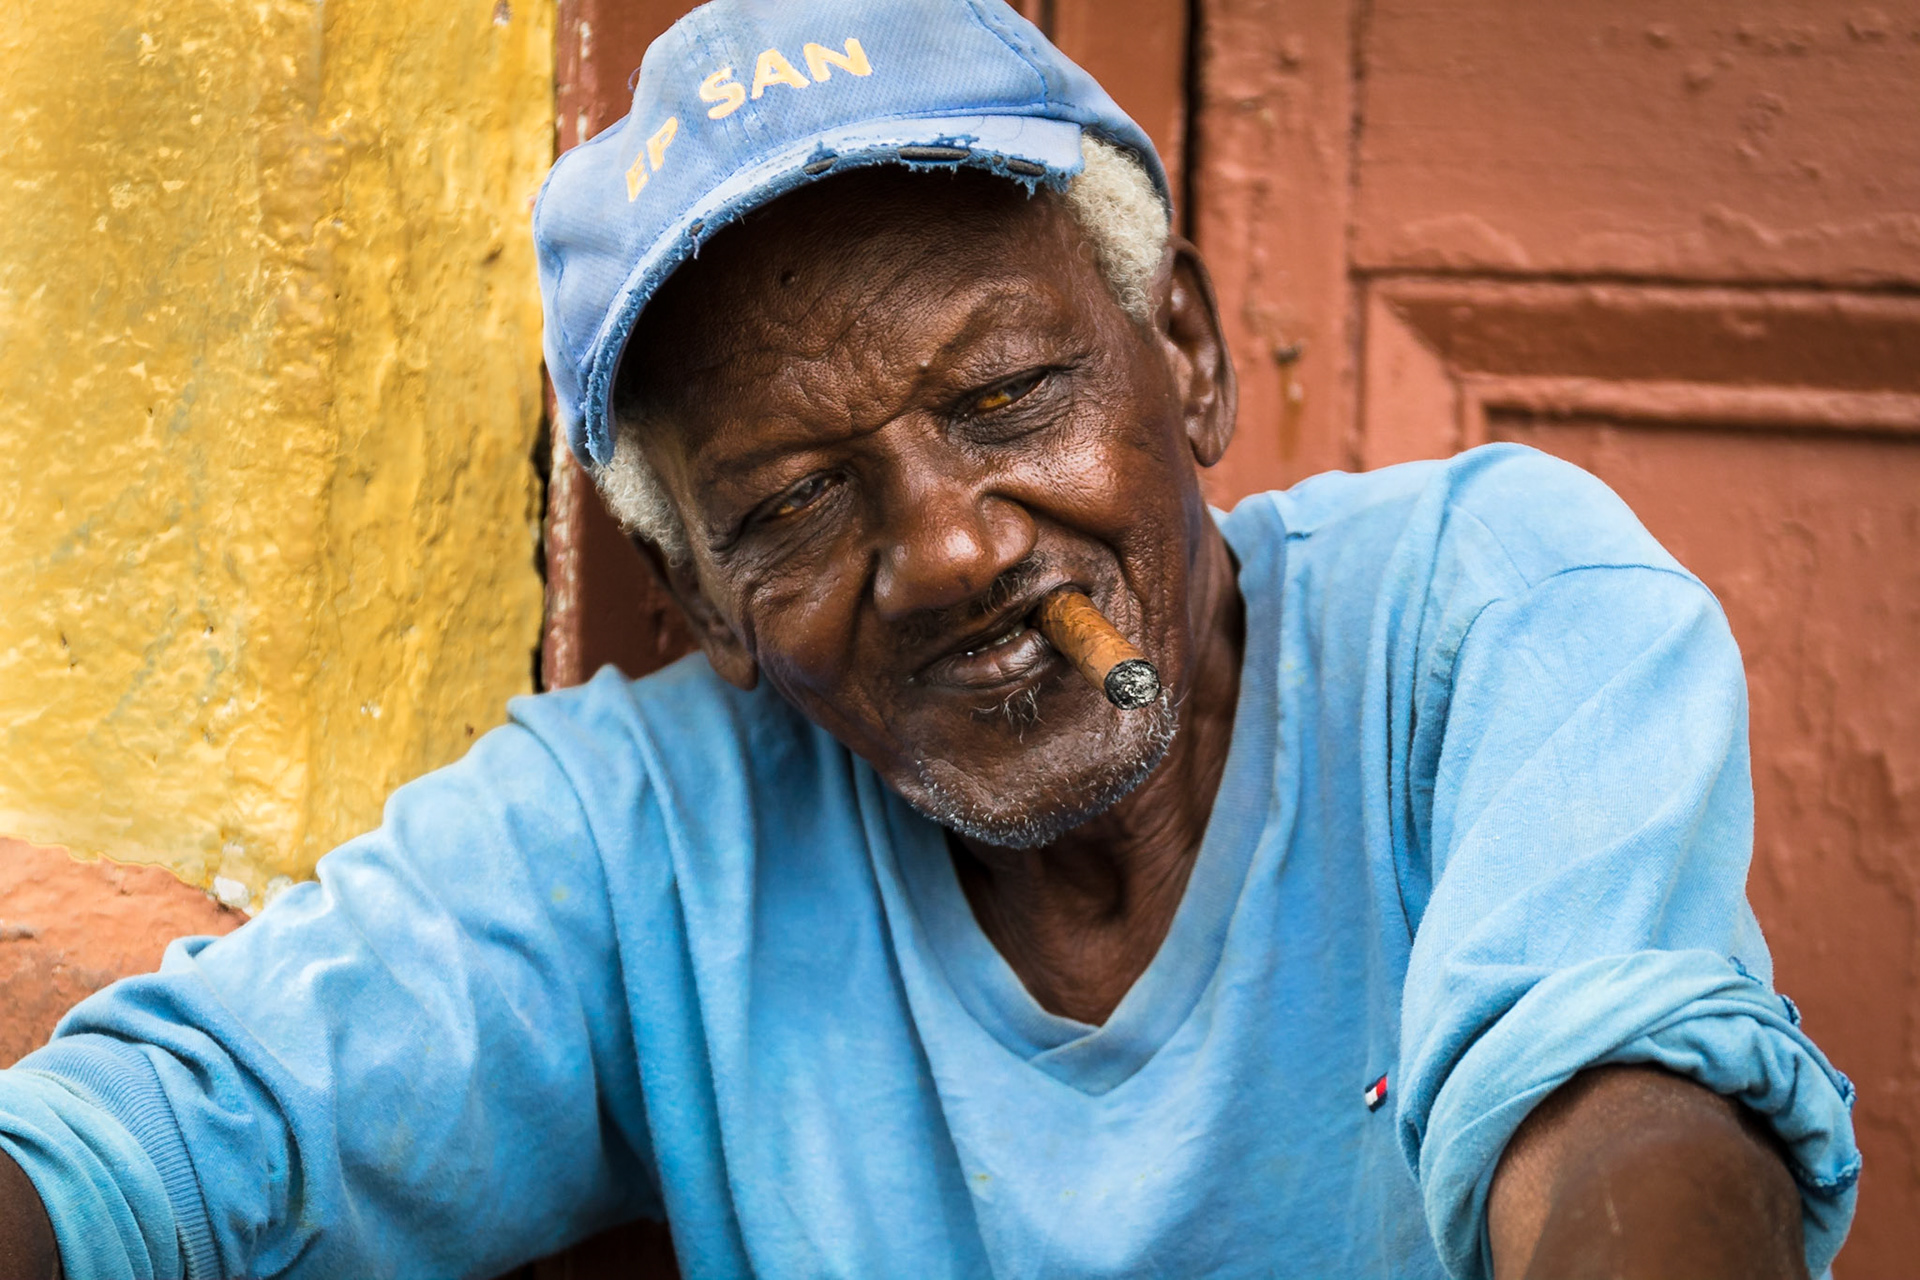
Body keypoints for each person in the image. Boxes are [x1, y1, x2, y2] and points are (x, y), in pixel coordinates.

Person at [0, 1, 1861, 1277]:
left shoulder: (1492, 607)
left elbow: (1622, 1098)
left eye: (1006, 397)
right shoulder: (639, 836)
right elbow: (169, 1142)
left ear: (1190, 360)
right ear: (711, 608)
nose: (953, 552)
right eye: (795, 507)